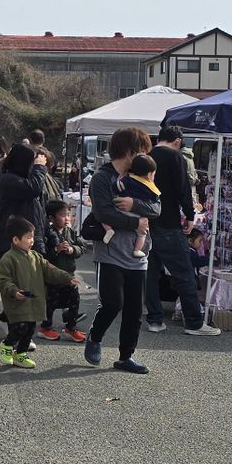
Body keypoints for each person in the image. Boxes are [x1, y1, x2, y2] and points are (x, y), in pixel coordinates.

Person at [83, 126, 159, 375]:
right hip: (110, 251)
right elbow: (102, 212)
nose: (144, 156)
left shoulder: (141, 176)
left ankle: (126, 356)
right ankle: (95, 337)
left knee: (135, 310)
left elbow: (157, 207)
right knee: (113, 303)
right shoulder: (103, 178)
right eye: (141, 150)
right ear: (129, 151)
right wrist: (135, 221)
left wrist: (135, 204)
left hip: (139, 254)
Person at [143, 128, 218, 338]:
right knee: (184, 272)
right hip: (168, 223)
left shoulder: (146, 156)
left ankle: (154, 319)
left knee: (151, 273)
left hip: (146, 224)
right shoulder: (175, 157)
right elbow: (182, 189)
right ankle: (194, 321)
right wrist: (190, 215)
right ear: (177, 141)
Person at [0, 215, 78, 368]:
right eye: (28, 238)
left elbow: (50, 270)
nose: (32, 241)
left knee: (30, 330)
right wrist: (13, 291)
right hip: (17, 303)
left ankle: (20, 354)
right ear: (15, 240)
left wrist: (67, 278)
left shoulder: (36, 256)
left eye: (32, 237)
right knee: (19, 329)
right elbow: (3, 281)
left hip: (33, 301)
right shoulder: (8, 259)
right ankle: (6, 345)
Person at [0, 142, 44, 267]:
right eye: (32, 162)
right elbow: (34, 189)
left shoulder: (24, 180)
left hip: (27, 242)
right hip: (11, 245)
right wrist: (40, 168)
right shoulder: (9, 179)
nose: (33, 166)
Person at [40, 201, 88, 341]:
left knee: (74, 299)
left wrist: (73, 250)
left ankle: (70, 328)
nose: (67, 218)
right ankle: (45, 327)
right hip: (53, 275)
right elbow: (42, 256)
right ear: (51, 218)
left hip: (69, 275)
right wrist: (56, 249)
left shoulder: (70, 232)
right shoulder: (47, 233)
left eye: (68, 214)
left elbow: (82, 247)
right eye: (62, 215)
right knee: (51, 302)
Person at [107, 152, 159, 258]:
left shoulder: (127, 180)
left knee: (105, 218)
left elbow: (116, 187)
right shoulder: (150, 188)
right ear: (149, 175)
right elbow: (156, 206)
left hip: (119, 209)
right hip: (137, 216)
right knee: (142, 232)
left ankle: (108, 229)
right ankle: (137, 249)